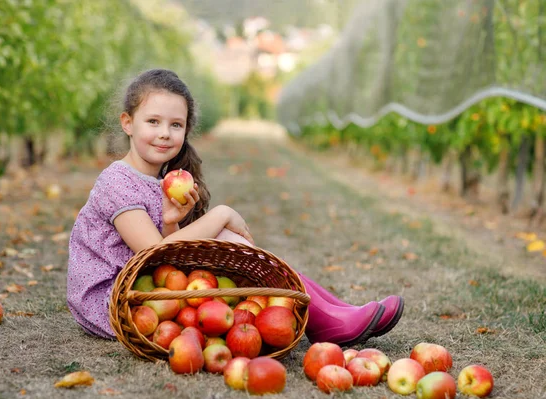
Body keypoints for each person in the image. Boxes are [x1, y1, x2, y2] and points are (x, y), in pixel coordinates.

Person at [67, 68, 404, 346]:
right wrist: (220, 213)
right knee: (223, 231)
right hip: (114, 301)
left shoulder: (159, 182)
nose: (164, 134)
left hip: (149, 290)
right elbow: (153, 254)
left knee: (223, 239)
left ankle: (332, 309)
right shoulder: (116, 182)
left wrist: (172, 223)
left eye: (176, 125)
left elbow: (167, 257)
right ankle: (323, 317)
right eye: (152, 122)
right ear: (128, 123)